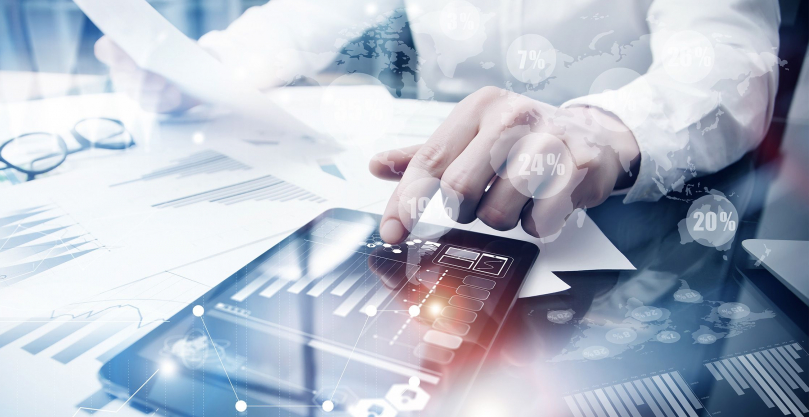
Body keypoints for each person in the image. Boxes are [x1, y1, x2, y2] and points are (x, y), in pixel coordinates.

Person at [94, 0, 780, 243]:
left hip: (622, 207)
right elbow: (311, 13)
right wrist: (208, 68)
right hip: (431, 195)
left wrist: (601, 126)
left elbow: (730, 59)